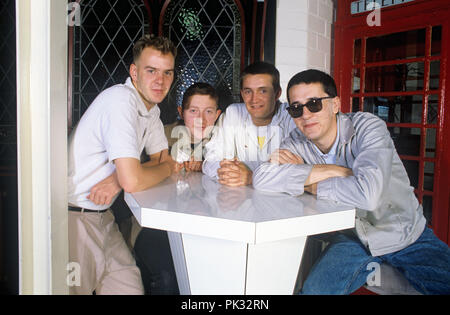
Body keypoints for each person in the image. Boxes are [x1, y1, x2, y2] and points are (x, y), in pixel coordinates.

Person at [252, 69, 450, 294]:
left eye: (314, 104)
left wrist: (306, 180)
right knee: (314, 291)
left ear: (335, 104)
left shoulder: (368, 127)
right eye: (296, 108)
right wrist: (332, 170)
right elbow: (262, 177)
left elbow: (368, 195)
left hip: (405, 234)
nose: (305, 114)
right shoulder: (297, 140)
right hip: (354, 238)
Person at [67, 34, 179, 295]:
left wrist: (121, 177)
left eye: (167, 73)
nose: (160, 81)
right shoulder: (120, 100)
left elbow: (165, 161)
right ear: (134, 72)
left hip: (104, 216)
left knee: (129, 287)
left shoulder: (151, 110)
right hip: (75, 218)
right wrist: (125, 176)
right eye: (151, 71)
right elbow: (140, 177)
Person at [131, 82, 222, 295]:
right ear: (181, 112)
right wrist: (167, 166)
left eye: (209, 111)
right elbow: (133, 174)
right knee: (167, 279)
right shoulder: (160, 134)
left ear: (217, 114)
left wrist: (206, 168)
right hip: (158, 226)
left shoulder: (222, 141)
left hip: (206, 228)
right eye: (193, 111)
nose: (201, 119)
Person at [202, 61, 296, 186]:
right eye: (248, 91)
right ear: (242, 94)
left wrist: (251, 177)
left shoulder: (293, 116)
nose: (254, 99)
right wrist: (231, 171)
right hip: (240, 198)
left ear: (277, 93)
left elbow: (298, 171)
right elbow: (211, 161)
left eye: (263, 91)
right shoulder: (233, 113)